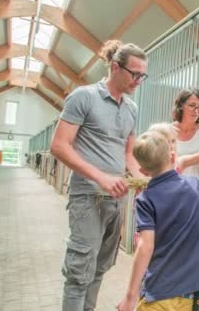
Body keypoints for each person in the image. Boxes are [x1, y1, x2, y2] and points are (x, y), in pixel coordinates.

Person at [50, 39, 148, 311]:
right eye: (135, 74)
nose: (139, 80)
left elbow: (128, 154)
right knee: (79, 271)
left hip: (116, 199)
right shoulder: (84, 97)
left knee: (100, 267)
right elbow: (59, 146)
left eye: (143, 75)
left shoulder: (131, 108)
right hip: (88, 197)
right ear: (115, 67)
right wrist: (101, 177)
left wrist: (142, 180)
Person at [117, 130, 199, 311]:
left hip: (160, 295)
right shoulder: (195, 185)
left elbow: (145, 246)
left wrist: (130, 297)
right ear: (173, 157)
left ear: (142, 170)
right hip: (195, 293)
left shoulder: (145, 199)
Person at [172, 88, 199, 178]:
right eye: (192, 105)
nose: (196, 111)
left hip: (196, 190)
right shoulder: (166, 132)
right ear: (181, 106)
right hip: (170, 190)